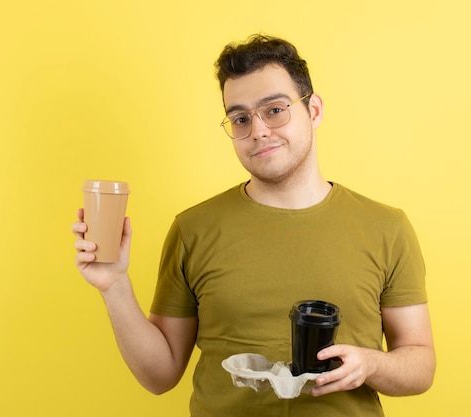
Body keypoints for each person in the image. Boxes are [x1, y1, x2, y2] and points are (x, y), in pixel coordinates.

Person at [72, 34, 435, 417]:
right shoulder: (193, 229)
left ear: (313, 110)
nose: (258, 130)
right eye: (241, 118)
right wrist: (114, 285)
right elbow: (158, 377)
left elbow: (420, 365)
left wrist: (372, 364)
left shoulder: (386, 227)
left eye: (275, 110)